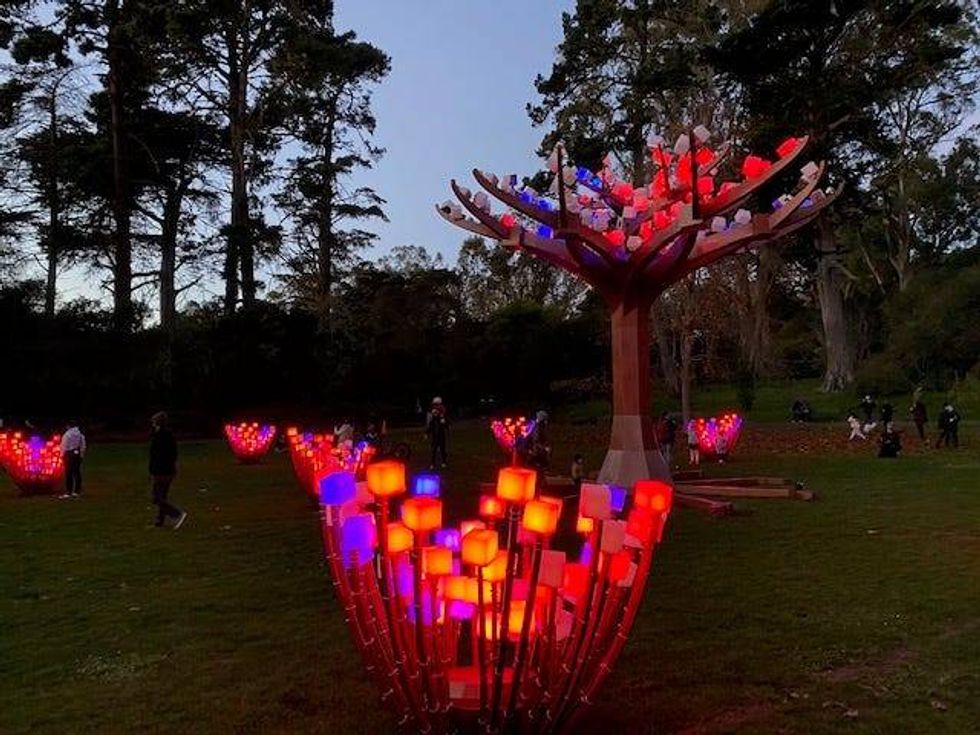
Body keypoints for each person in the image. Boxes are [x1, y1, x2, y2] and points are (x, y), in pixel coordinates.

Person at [149, 412, 186, 529]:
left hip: (160, 470)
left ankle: (177, 514)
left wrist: (153, 468)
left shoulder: (158, 437)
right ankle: (160, 521)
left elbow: (155, 454)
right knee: (163, 496)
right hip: (169, 470)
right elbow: (174, 453)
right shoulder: (169, 436)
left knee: (156, 497)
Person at [60, 421, 86, 498]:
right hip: (77, 454)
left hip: (69, 455)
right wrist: (81, 455)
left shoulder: (67, 435)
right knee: (77, 472)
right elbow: (83, 445)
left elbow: (64, 446)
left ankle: (69, 491)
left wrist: (62, 455)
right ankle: (77, 491)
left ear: (68, 426)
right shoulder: (80, 434)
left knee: (68, 473)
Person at [425, 397, 449, 469]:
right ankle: (432, 463)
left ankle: (444, 462)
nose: (435, 406)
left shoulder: (442, 414)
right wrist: (427, 433)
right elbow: (430, 425)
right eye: (434, 405)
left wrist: (444, 422)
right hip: (435, 435)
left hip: (441, 435)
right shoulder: (433, 415)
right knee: (434, 449)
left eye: (437, 404)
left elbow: (446, 424)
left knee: (442, 449)